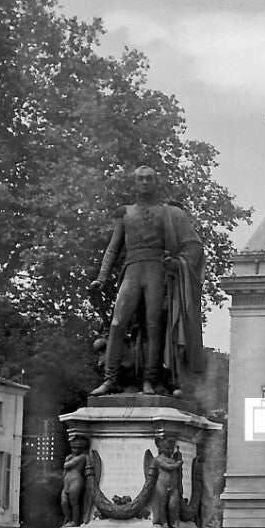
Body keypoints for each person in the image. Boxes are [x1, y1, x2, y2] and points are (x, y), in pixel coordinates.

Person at [90, 166, 206, 397]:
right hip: (132, 269)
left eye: (149, 179)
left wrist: (176, 263)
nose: (144, 183)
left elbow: (194, 247)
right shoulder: (125, 213)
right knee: (117, 323)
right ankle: (110, 379)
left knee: (154, 326)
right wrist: (101, 277)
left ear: (156, 182)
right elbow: (113, 249)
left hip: (156, 270)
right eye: (140, 179)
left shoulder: (169, 213)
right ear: (134, 184)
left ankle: (148, 380)